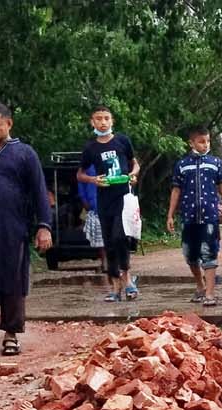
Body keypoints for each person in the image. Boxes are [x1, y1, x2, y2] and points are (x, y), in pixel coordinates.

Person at [0, 102, 52, 357]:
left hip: (12, 227)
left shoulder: (25, 154)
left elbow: (40, 192)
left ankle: (11, 332)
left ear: (9, 124)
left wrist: (44, 226)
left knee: (12, 280)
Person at [165, 126, 222, 307]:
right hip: (188, 217)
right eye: (201, 141)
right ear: (192, 143)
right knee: (190, 255)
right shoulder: (182, 165)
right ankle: (200, 286)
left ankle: (210, 294)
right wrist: (170, 215)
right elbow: (176, 189)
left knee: (209, 253)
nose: (205, 145)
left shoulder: (215, 163)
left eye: (208, 141)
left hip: (209, 217)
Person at [76, 105, 140, 302]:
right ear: (92, 122)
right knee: (109, 243)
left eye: (106, 118)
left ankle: (127, 279)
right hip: (103, 200)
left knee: (120, 237)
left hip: (123, 198)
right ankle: (114, 287)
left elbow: (135, 163)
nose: (103, 122)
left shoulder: (122, 141)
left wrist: (133, 175)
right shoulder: (91, 147)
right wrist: (94, 180)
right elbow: (80, 174)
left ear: (112, 121)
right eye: (98, 119)